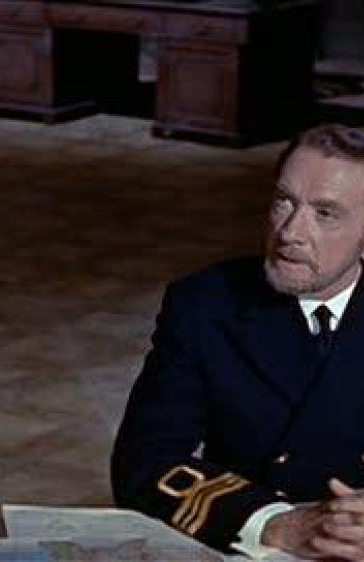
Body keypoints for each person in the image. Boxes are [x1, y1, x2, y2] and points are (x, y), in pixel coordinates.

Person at [112, 123, 364, 560]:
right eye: (283, 201)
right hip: (252, 545)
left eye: (325, 214)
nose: (290, 232)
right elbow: (144, 462)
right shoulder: (205, 305)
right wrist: (271, 524)